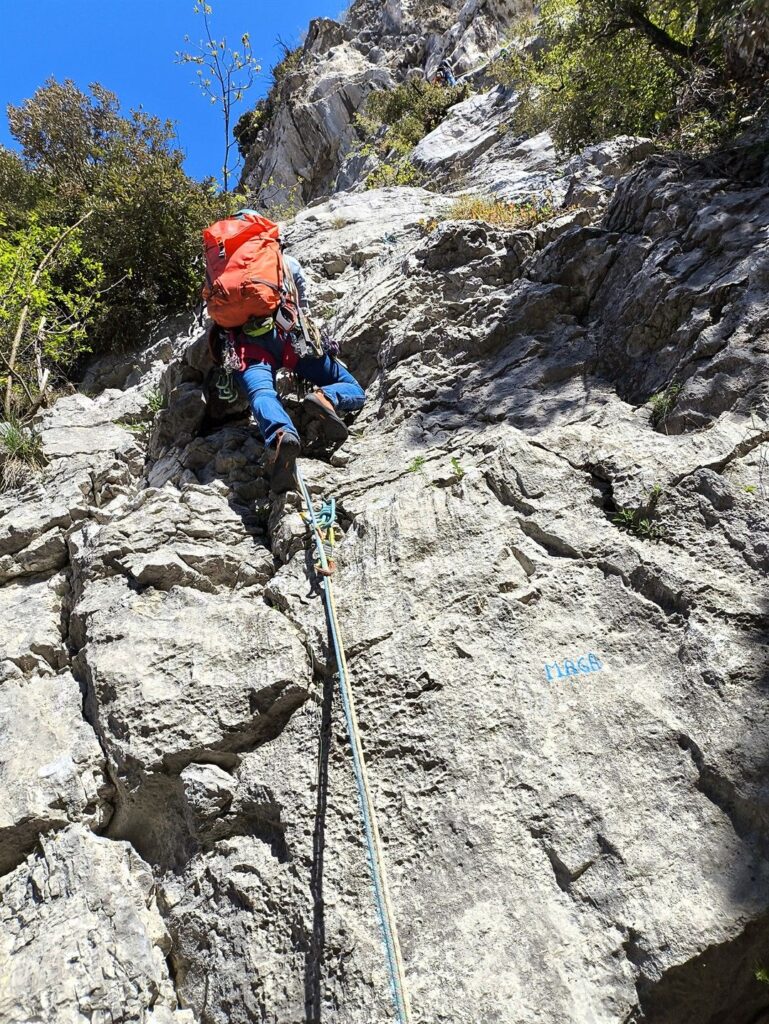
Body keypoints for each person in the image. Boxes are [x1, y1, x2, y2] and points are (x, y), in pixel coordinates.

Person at [228, 229, 365, 493]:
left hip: (248, 347)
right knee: (351, 386)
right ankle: (327, 398)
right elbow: (303, 306)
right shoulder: (286, 263)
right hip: (292, 339)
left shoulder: (226, 273)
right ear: (273, 243)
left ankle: (282, 435)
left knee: (261, 394)